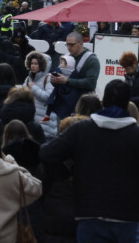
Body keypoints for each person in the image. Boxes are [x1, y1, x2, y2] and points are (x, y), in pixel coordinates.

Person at [40, 80, 139, 242]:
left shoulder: (82, 130)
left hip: (89, 212)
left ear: (103, 102)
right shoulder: (135, 135)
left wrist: (66, 172)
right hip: (127, 216)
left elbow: (46, 153)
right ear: (128, 103)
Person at [47, 32, 100, 120]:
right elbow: (60, 81)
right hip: (64, 106)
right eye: (66, 45)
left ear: (81, 43)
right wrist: (55, 81)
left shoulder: (92, 60)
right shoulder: (66, 56)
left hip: (82, 107)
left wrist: (66, 81)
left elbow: (91, 83)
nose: (68, 48)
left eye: (71, 45)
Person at [24, 51, 57, 140]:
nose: (33, 66)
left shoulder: (49, 78)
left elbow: (49, 97)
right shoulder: (28, 79)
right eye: (31, 63)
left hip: (45, 123)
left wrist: (33, 87)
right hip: (31, 121)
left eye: (36, 63)